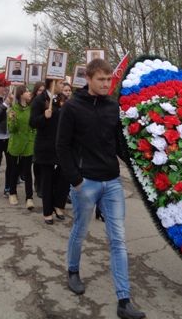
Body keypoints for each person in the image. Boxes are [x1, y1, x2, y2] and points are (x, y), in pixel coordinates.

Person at [56, 59, 145, 319]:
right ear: (89, 79)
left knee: (118, 239)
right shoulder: (72, 107)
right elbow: (62, 147)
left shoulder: (113, 106)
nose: (107, 84)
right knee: (80, 230)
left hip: (112, 182)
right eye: (101, 80)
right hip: (86, 183)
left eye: (109, 80)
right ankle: (73, 271)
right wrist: (76, 181)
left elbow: (118, 144)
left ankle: (124, 300)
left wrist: (138, 160)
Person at [30, 80, 69, 225]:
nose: (62, 85)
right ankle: (47, 212)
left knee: (64, 176)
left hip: (61, 145)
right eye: (60, 83)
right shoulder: (39, 100)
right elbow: (32, 122)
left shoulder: (61, 99)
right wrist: (44, 117)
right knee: (47, 179)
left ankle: (58, 205)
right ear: (51, 84)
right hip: (45, 146)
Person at [6, 85, 36, 209]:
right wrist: (12, 120)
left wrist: (33, 138)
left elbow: (34, 126)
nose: (29, 93)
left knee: (28, 172)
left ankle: (29, 197)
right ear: (20, 94)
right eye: (27, 91)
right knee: (14, 170)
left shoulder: (31, 109)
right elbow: (11, 129)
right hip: (16, 144)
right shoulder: (13, 109)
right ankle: (12, 193)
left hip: (28, 144)